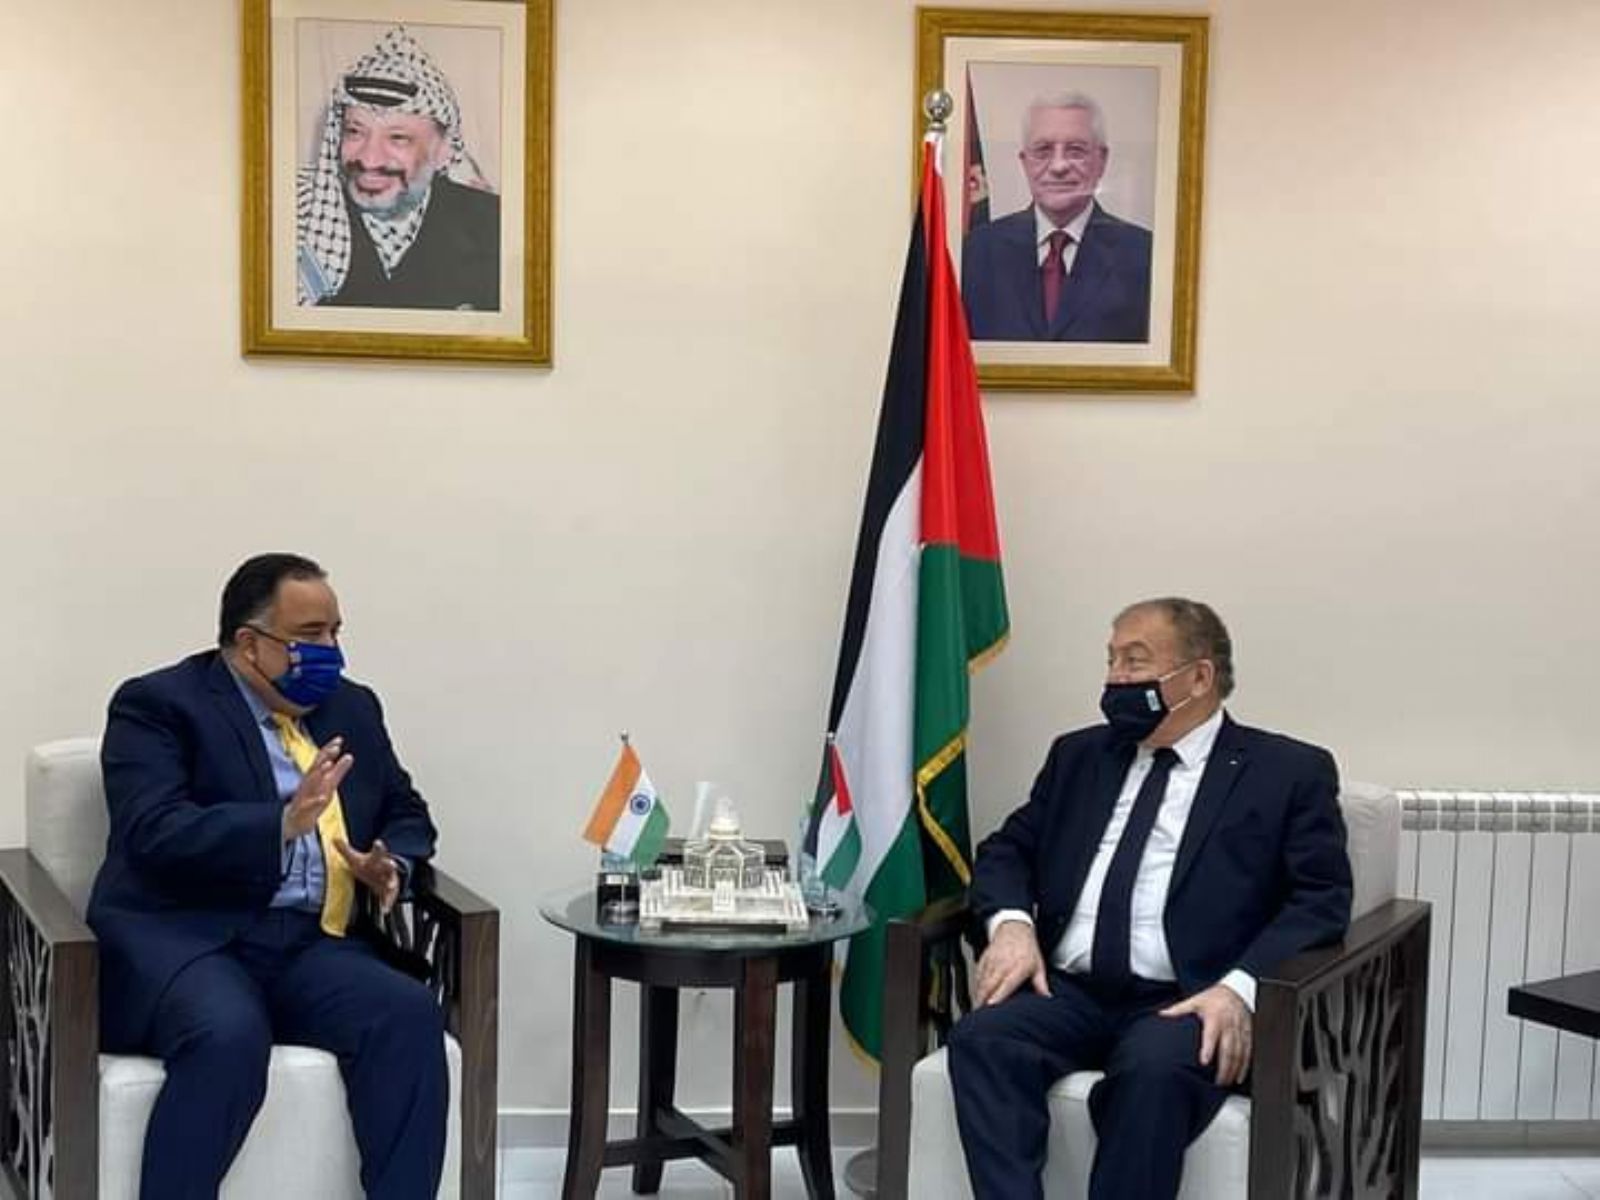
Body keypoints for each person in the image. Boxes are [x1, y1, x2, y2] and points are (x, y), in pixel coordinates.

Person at [948, 598, 1352, 1200]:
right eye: (1111, 660)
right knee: (983, 1039)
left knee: (1152, 1072)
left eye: (1135, 661)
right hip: (1069, 989)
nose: (1116, 678)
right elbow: (1008, 849)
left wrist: (1239, 989)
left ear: (1200, 677)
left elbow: (1320, 900)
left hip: (1189, 998)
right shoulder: (1079, 756)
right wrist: (1011, 925)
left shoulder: (1286, 772)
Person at [86, 554, 447, 1198]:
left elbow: (405, 810)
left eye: (335, 631)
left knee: (408, 1015)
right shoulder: (159, 704)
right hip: (193, 939)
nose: (330, 650)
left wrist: (390, 862)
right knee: (228, 1035)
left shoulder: (353, 707)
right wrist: (279, 824)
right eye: (310, 635)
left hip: (311, 943)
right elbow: (152, 829)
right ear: (249, 643)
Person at [298, 24, 501, 311]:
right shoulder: (300, 217)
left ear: (443, 151)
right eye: (355, 131)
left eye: (398, 138)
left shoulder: (495, 225)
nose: (369, 160)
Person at [961, 92, 1152, 342]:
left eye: (1075, 150)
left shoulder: (1144, 255)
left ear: (1102, 160)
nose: (1058, 166)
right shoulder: (976, 252)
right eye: (1043, 150)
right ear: (1024, 162)